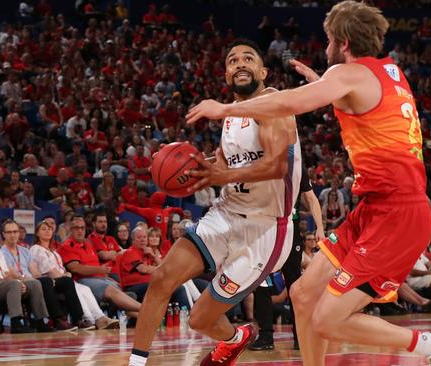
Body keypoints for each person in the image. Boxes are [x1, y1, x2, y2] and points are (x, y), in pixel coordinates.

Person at [186, 2, 431, 365]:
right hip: (374, 208)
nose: (327, 45)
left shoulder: (346, 74)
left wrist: (224, 109)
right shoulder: (389, 71)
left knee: (328, 318)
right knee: (303, 295)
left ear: (344, 42)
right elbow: (365, 105)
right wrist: (325, 83)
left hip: (397, 213)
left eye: (329, 38)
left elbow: (290, 103)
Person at [129, 38, 302, 366]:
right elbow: (224, 166)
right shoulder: (231, 119)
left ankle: (237, 337)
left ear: (263, 71)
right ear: (226, 75)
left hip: (267, 228)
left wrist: (221, 176)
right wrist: (193, 168)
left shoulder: (273, 103)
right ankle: (136, 363)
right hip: (227, 212)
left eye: (248, 58)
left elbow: (277, 166)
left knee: (199, 320)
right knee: (162, 278)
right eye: (233, 60)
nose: (240, 63)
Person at [250, 164, 324, 351]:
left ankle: (301, 336)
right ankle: (265, 336)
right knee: (261, 285)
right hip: (265, 232)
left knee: (295, 286)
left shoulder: (297, 166)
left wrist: (320, 228)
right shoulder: (261, 163)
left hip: (290, 233)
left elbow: (311, 198)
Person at [0, 219, 52, 333]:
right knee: (13, 284)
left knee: (34, 283)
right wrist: (10, 283)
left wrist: (20, 283)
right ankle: (16, 323)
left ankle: (40, 321)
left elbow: (6, 274)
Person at [30, 221, 118, 330]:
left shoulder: (54, 252)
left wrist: (66, 274)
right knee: (73, 286)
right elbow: (49, 270)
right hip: (48, 281)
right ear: (37, 234)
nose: (47, 231)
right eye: (43, 229)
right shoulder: (36, 248)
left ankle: (100, 317)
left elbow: (62, 269)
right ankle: (87, 319)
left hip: (61, 279)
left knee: (85, 289)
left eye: (49, 229)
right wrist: (65, 276)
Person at [0, 219, 79, 331]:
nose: (13, 235)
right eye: (9, 232)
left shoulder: (25, 251)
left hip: (32, 280)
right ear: (3, 234)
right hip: (18, 282)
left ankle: (78, 319)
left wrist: (39, 278)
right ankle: (57, 320)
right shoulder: (1, 253)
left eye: (15, 231)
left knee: (66, 281)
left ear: (19, 233)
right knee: (44, 282)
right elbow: (11, 273)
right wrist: (33, 280)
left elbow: (34, 271)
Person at [58, 216, 141, 316]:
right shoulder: (67, 246)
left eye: (82, 228)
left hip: (100, 278)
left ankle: (149, 318)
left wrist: (102, 273)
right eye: (76, 228)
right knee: (112, 290)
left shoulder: (88, 244)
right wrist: (99, 270)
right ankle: (145, 308)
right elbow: (75, 268)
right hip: (83, 280)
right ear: (70, 229)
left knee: (124, 294)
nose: (80, 231)